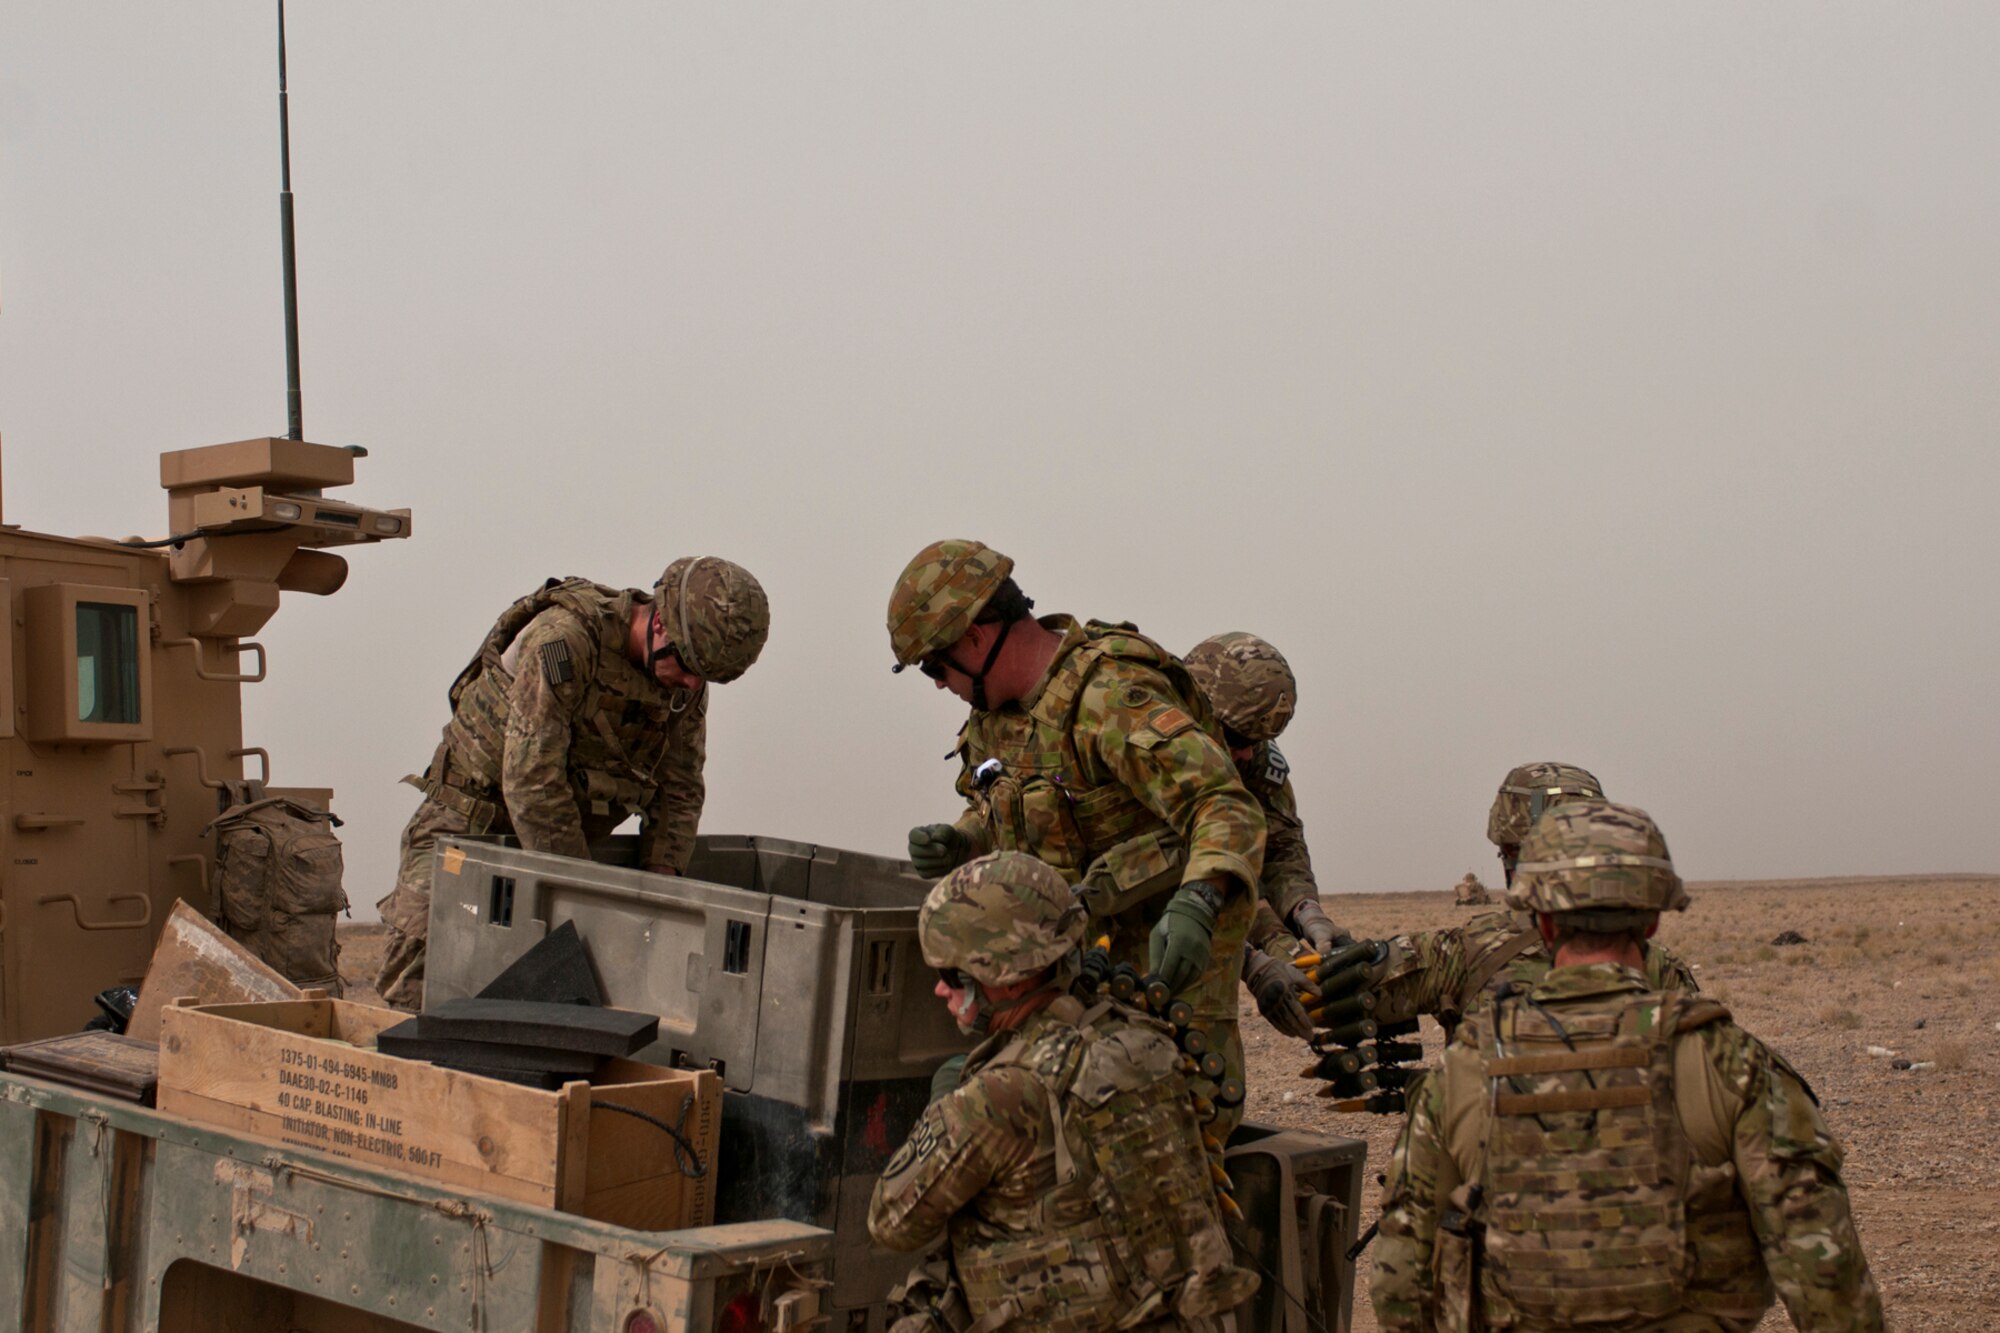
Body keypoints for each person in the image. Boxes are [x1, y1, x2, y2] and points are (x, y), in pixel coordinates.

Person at [1371, 800, 1883, 1332]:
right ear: (1653, 921)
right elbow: (1829, 1284)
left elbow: (1400, 1288)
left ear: (1543, 923)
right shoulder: (1733, 1066)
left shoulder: (1462, 1074)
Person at [888, 540, 1266, 1133]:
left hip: (1162, 970)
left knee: (1162, 1141)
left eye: (936, 667)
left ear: (974, 639)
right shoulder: (996, 716)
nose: (939, 685)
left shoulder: (1110, 698)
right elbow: (1006, 808)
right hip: (1071, 971)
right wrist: (964, 838)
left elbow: (1222, 802)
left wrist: (1201, 898)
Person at [868, 851, 1257, 1333]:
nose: (940, 992)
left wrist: (946, 1107)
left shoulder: (1001, 1095)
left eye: (954, 976)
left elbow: (892, 1221)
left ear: (1005, 978)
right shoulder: (1145, 1041)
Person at [374, 558, 769, 1008]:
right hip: (468, 828)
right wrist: (579, 899)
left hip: (565, 846)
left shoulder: (685, 680)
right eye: (687, 666)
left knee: (544, 1007)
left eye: (705, 676)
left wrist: (662, 885)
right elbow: (531, 779)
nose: (691, 683)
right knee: (417, 990)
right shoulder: (566, 640)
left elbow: (679, 789)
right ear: (659, 622)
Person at [1310, 762, 1695, 1047]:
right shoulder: (1661, 968)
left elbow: (1329, 993)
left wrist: (1284, 929)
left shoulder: (1460, 953)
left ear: (1513, 858)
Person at [1183, 632, 1347, 1042]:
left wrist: (1305, 910)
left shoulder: (1253, 759)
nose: (1246, 755)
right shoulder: (1156, 762)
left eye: (1257, 742)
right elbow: (1188, 876)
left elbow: (1279, 845)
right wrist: (1260, 956)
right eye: (1237, 739)